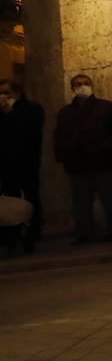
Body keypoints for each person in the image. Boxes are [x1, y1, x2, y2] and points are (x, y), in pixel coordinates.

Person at [53, 74, 112, 244]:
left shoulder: (106, 107)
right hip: (78, 164)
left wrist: (104, 148)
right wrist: (64, 156)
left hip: (106, 161)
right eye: (78, 84)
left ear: (92, 85)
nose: (82, 86)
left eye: (86, 83)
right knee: (81, 202)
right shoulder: (65, 112)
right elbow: (60, 136)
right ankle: (84, 233)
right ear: (72, 88)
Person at [0, 78, 45, 254]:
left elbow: (32, 131)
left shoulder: (32, 109)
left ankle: (32, 233)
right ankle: (12, 237)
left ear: (17, 92)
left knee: (31, 196)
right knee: (10, 200)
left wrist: (10, 113)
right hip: (5, 164)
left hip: (27, 162)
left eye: (6, 93)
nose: (3, 96)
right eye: (0, 93)